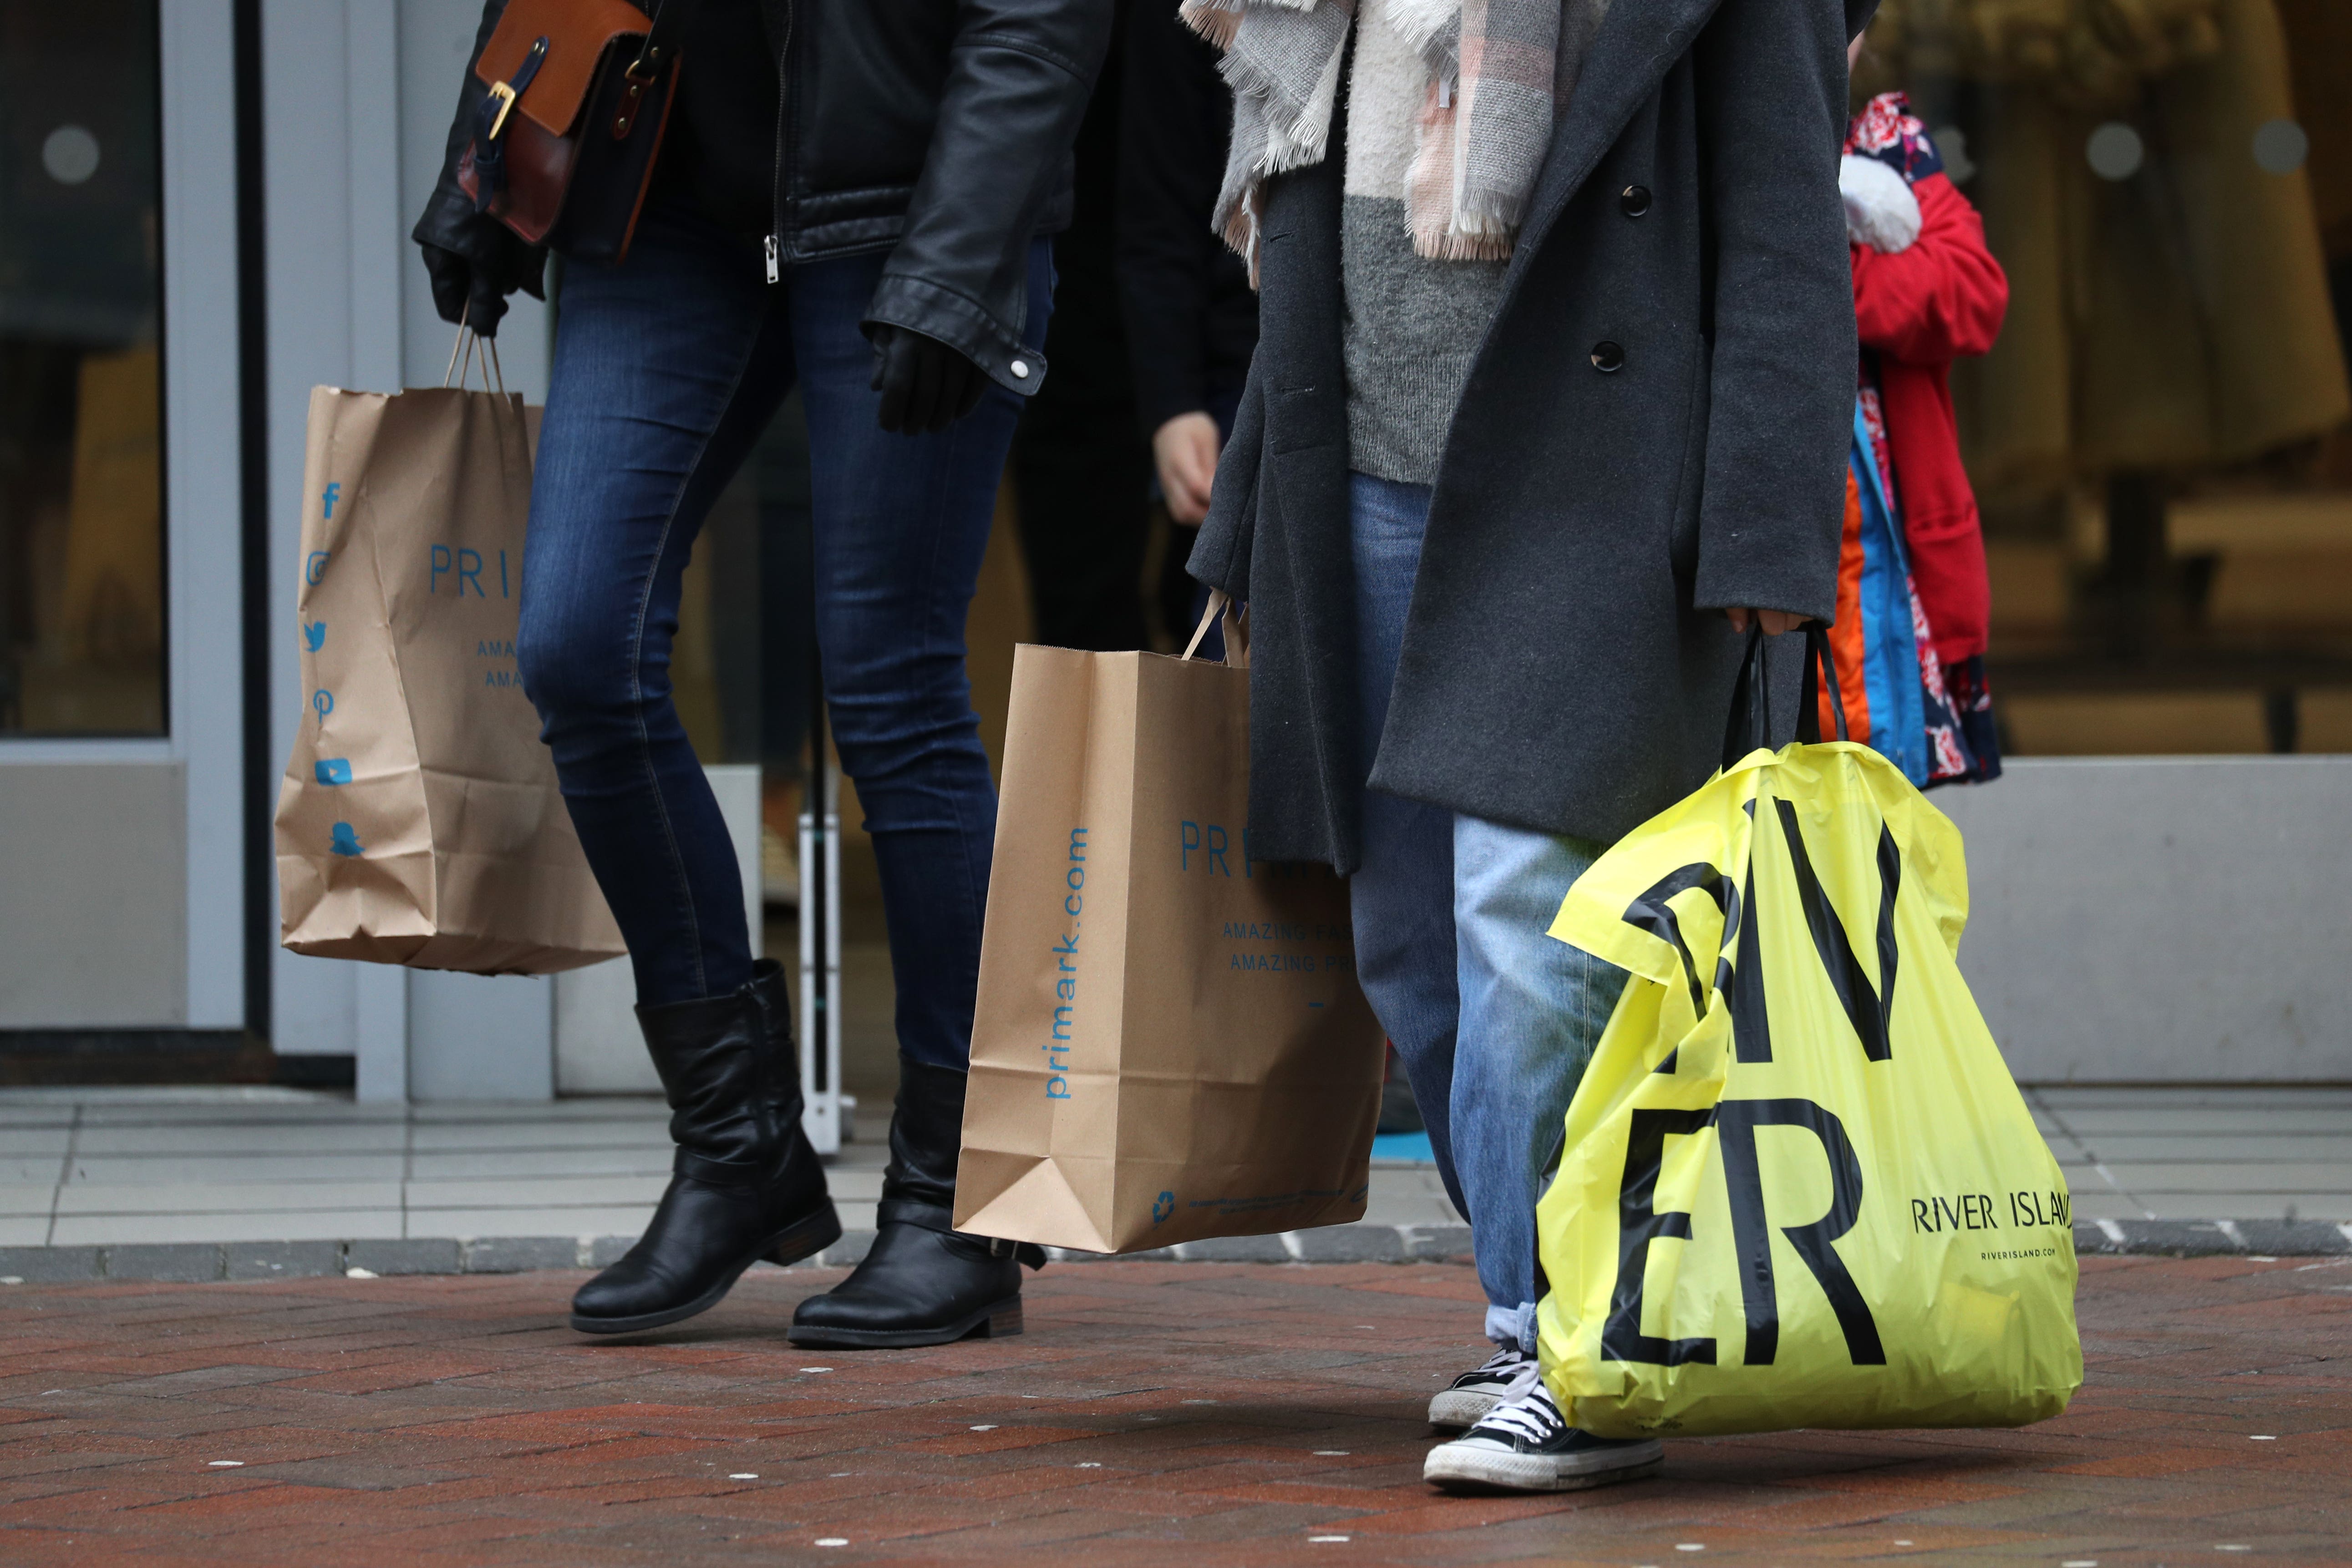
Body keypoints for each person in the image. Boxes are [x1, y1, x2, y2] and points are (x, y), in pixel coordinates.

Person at [1184, 0, 1877, 1494]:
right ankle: (1530, 1315)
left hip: (1586, 479)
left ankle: (1586, 1342)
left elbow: (1778, 223)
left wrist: (1760, 526)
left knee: (1525, 920)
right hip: (1355, 466)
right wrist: (1252, 491)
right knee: (1405, 944)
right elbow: (1308, 227)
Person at [412, 0, 1110, 1349]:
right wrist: (488, 156)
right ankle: (737, 1146)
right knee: (573, 641)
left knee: (893, 685)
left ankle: (957, 1205)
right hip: (662, 198)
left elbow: (1038, 19)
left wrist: (963, 257)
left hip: (908, 204)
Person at [1834, 52, 2009, 784]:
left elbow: (1971, 293)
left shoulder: (1888, 141)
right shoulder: (1700, 128)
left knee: (1877, 815)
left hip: (1890, 553)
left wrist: (1827, 270)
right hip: (1779, 544)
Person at [1117, 0, 1261, 648]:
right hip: (1242, 379)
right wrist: (1174, 401)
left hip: (1412, 363)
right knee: (1223, 662)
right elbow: (1160, 207)